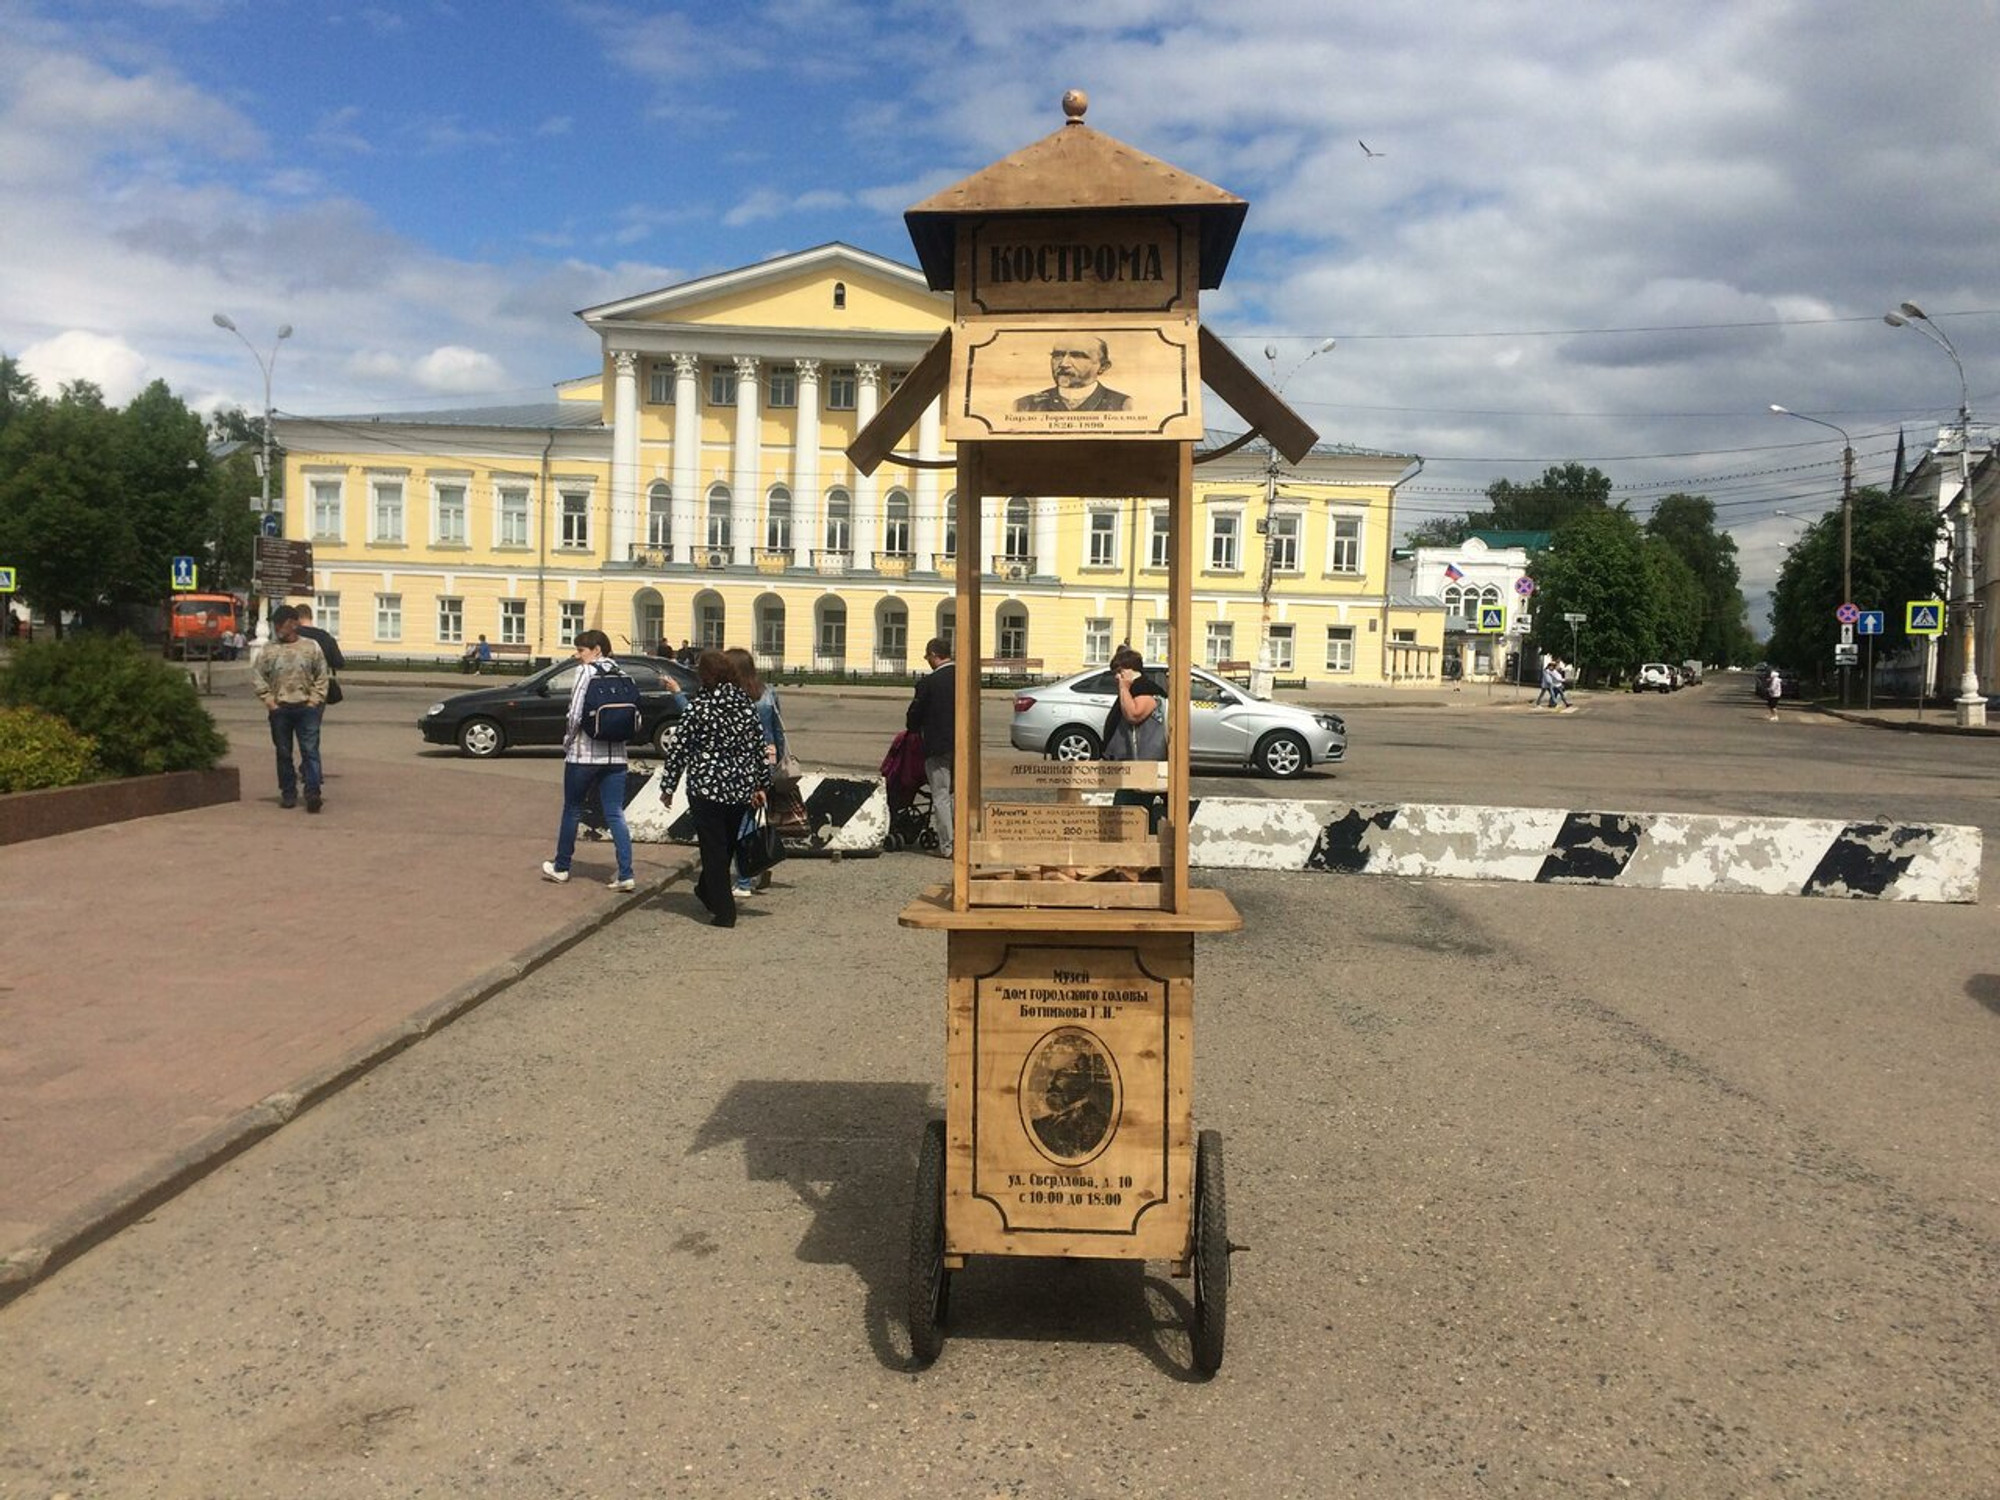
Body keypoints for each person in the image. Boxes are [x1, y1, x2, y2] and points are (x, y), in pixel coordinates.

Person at [656, 649, 770, 927]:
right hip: (740, 788)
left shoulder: (699, 707)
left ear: (705, 676)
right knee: (726, 845)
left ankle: (724, 911)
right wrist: (760, 784)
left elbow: (679, 750)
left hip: (706, 789)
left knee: (713, 849)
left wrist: (668, 787)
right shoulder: (745, 705)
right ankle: (707, 891)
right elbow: (758, 747)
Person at [542, 630, 637, 891]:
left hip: (583, 754)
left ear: (596, 650)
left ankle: (561, 867)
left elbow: (574, 713)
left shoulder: (585, 672)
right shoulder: (623, 673)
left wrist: (568, 740)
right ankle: (626, 873)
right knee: (615, 813)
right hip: (617, 755)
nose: (577, 655)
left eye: (581, 650)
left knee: (572, 808)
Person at [725, 647, 790, 897]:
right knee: (752, 816)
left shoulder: (731, 697)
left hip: (740, 763)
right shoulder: (767, 692)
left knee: (742, 820)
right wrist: (780, 760)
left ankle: (743, 880)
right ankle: (757, 863)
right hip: (768, 758)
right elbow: (778, 728)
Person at [252, 605, 328, 812]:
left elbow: (322, 675)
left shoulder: (311, 647)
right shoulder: (269, 650)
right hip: (281, 709)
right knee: (283, 752)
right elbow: (258, 677)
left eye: (281, 623)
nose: (277, 627)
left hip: (306, 708)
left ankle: (313, 793)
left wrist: (315, 700)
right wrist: (270, 702)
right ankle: (288, 792)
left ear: (293, 623)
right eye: (275, 623)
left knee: (310, 751)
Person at [1102, 646, 1168, 832]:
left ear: (1129, 671)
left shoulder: (1144, 690)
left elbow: (1134, 714)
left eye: (1119, 672)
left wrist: (1124, 687)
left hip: (1144, 764)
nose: (1116, 677)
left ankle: (1135, 853)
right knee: (1124, 812)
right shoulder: (1136, 689)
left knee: (1128, 814)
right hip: (1132, 765)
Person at [907, 637, 955, 857]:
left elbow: (913, 719)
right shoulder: (963, 678)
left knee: (941, 795)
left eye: (928, 657)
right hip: (963, 746)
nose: (928, 661)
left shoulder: (929, 683)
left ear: (935, 656)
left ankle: (947, 846)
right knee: (960, 795)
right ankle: (965, 841)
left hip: (937, 745)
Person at [1013, 337, 1131, 412]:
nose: (1064, 364)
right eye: (1057, 355)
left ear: (1103, 367)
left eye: (1077, 356)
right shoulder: (1025, 405)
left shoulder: (1123, 405)